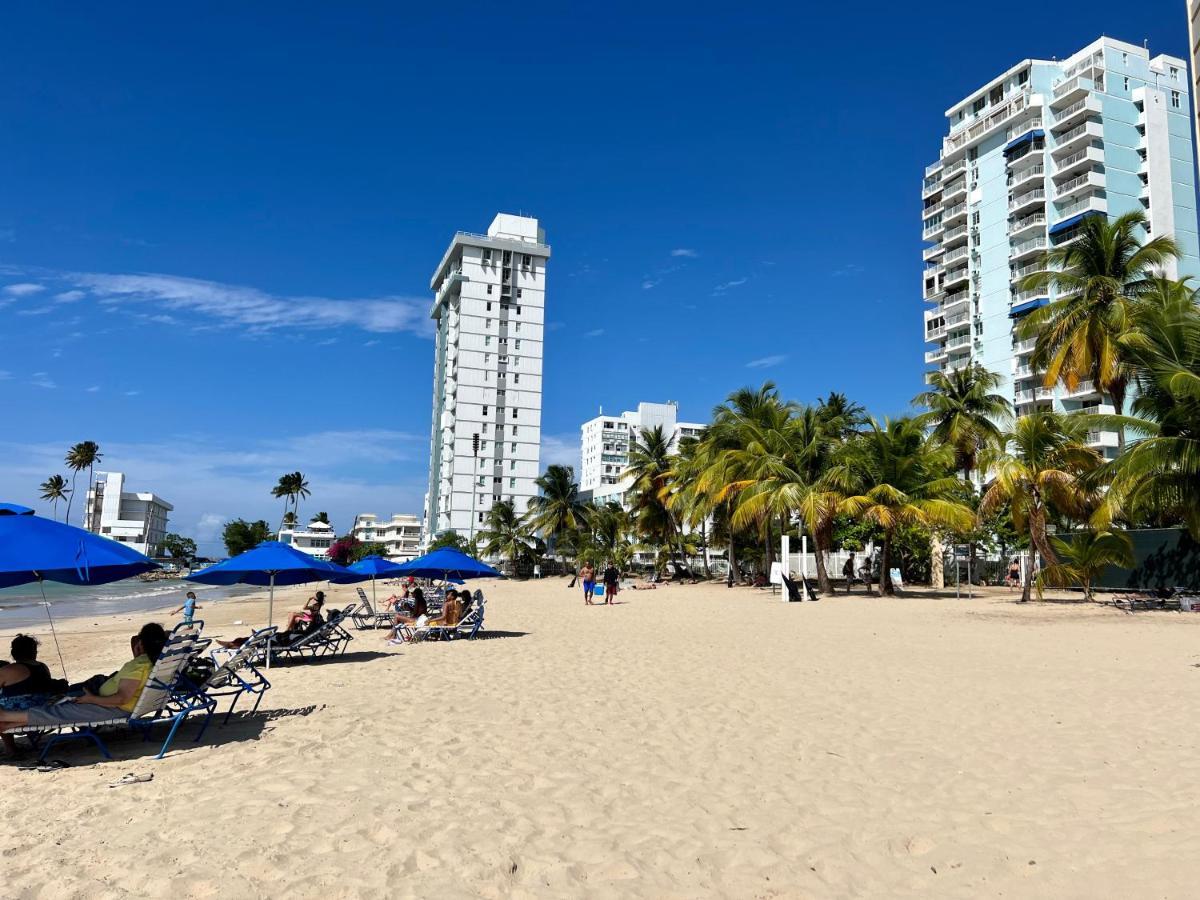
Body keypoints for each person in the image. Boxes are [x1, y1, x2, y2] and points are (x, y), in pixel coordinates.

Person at [0, 623, 168, 742]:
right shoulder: (151, 661)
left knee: (57, 710)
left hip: (114, 708)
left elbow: (122, 698)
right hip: (120, 706)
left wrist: (92, 699)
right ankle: (11, 722)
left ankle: (6, 717)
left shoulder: (138, 665)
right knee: (60, 707)